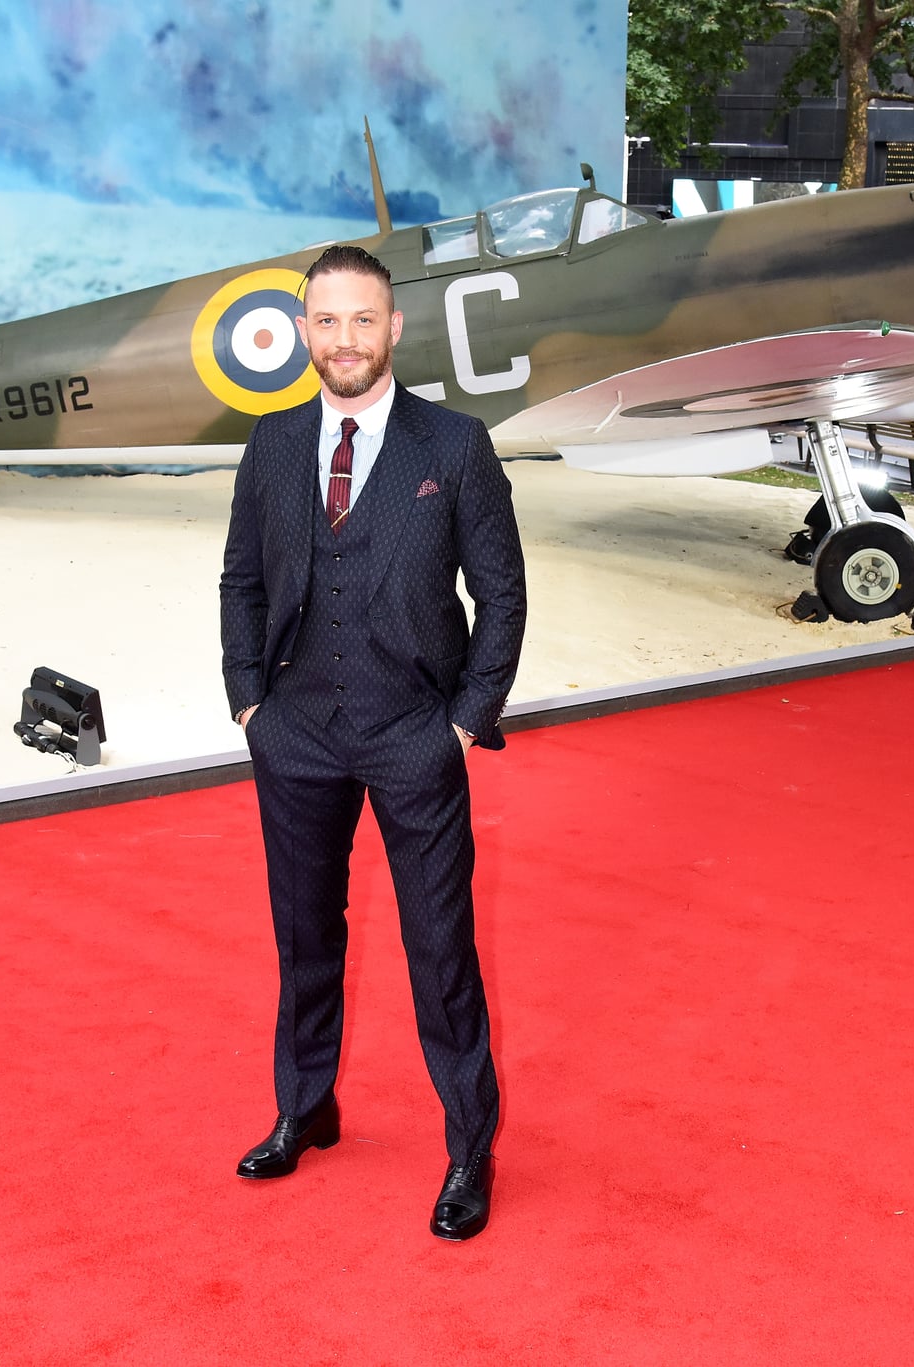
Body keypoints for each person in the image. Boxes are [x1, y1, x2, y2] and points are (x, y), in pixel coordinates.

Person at [219, 244, 526, 1242]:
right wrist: (247, 705)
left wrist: (463, 717)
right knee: (303, 935)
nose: (343, 340)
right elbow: (241, 581)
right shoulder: (269, 443)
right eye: (325, 321)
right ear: (302, 332)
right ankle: (305, 1106)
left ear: (393, 330)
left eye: (362, 320)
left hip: (411, 731)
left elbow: (502, 590)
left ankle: (469, 1145)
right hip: (295, 729)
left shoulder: (454, 445)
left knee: (439, 949)